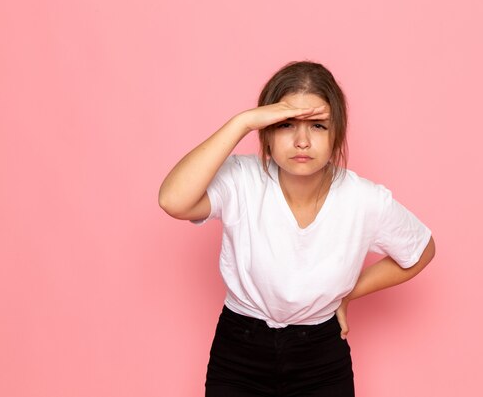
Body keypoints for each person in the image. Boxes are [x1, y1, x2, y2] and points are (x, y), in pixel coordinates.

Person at [158, 61, 435, 397]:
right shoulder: (241, 178)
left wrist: (347, 295)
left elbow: (420, 250)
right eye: (286, 124)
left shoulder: (364, 200)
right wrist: (242, 122)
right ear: (267, 132)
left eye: (318, 126)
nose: (302, 140)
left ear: (337, 136)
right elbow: (173, 200)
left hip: (321, 354)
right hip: (239, 350)